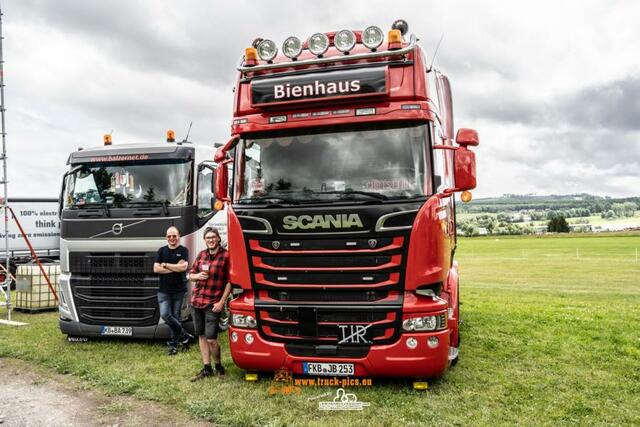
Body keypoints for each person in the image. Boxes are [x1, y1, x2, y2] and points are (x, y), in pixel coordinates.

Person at [188, 226, 231, 381]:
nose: (211, 240)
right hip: (197, 300)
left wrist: (222, 302)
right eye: (208, 238)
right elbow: (191, 275)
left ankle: (219, 365)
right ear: (205, 240)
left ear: (218, 238)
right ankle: (207, 368)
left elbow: (229, 282)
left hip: (213, 302)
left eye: (213, 237)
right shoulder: (201, 255)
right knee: (201, 335)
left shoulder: (226, 256)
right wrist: (197, 275)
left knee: (211, 338)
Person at [153, 226, 194, 355]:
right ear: (166, 237)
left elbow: (183, 268)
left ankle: (174, 345)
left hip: (179, 290)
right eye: (169, 236)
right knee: (166, 315)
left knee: (176, 317)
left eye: (174, 236)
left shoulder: (183, 250)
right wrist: (175, 267)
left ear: (179, 237)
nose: (172, 238)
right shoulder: (161, 251)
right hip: (164, 290)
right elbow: (156, 269)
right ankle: (185, 336)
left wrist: (165, 265)